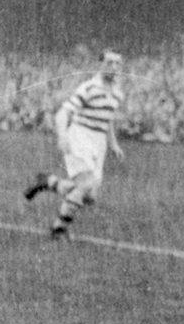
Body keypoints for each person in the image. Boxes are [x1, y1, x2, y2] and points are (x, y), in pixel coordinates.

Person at [24, 50, 125, 240]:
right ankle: (58, 230)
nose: (114, 67)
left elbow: (108, 118)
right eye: (109, 63)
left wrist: (114, 144)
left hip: (99, 142)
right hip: (80, 136)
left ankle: (48, 182)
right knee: (86, 184)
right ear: (100, 65)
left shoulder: (117, 93)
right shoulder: (89, 88)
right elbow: (63, 113)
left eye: (117, 64)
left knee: (89, 196)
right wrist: (62, 136)